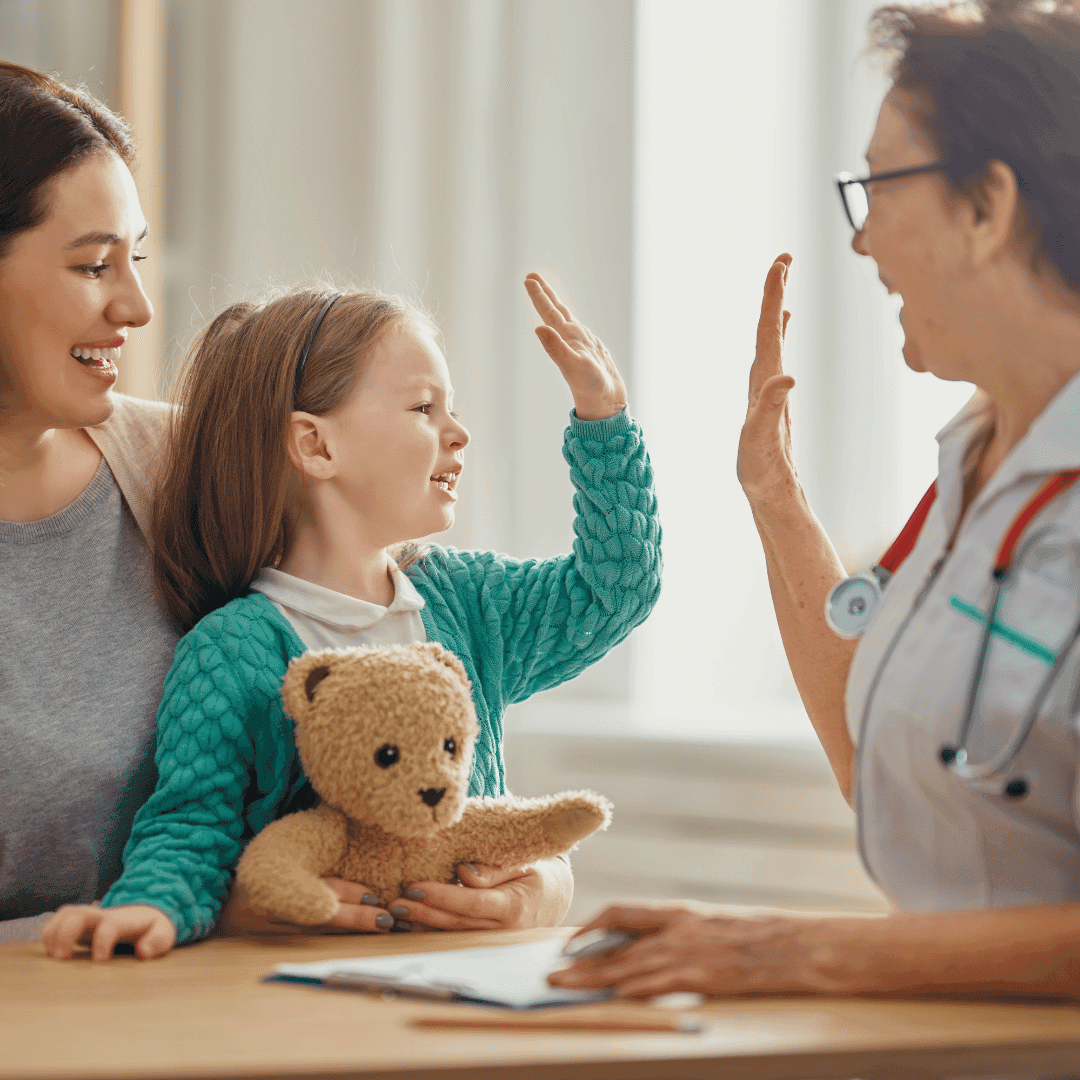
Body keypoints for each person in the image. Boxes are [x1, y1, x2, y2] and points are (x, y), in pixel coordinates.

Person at [552, 0, 1080, 1001]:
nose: (862, 240)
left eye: (880, 186)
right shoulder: (977, 470)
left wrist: (793, 953)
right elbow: (882, 771)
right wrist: (776, 499)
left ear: (987, 208)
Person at [42, 273, 662, 960]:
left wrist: (604, 422)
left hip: (464, 988)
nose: (458, 433)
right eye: (424, 408)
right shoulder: (232, 651)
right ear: (315, 445)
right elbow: (193, 825)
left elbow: (618, 585)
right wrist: (147, 908)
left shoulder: (470, 602)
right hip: (304, 1001)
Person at [0, 63, 177, 943]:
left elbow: (426, 665)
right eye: (93, 264)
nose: (135, 305)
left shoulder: (183, 468)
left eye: (134, 258)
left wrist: (531, 878)